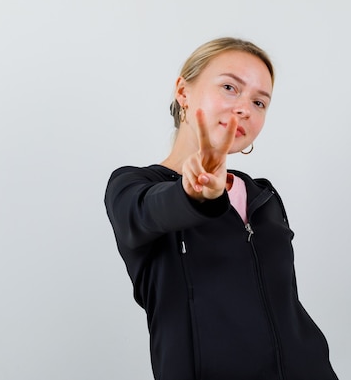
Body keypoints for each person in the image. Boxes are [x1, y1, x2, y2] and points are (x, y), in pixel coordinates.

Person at [104, 37, 338, 380]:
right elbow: (151, 211)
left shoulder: (264, 196)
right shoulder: (132, 187)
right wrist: (195, 193)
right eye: (230, 87)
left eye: (260, 102)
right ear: (183, 92)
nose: (245, 108)